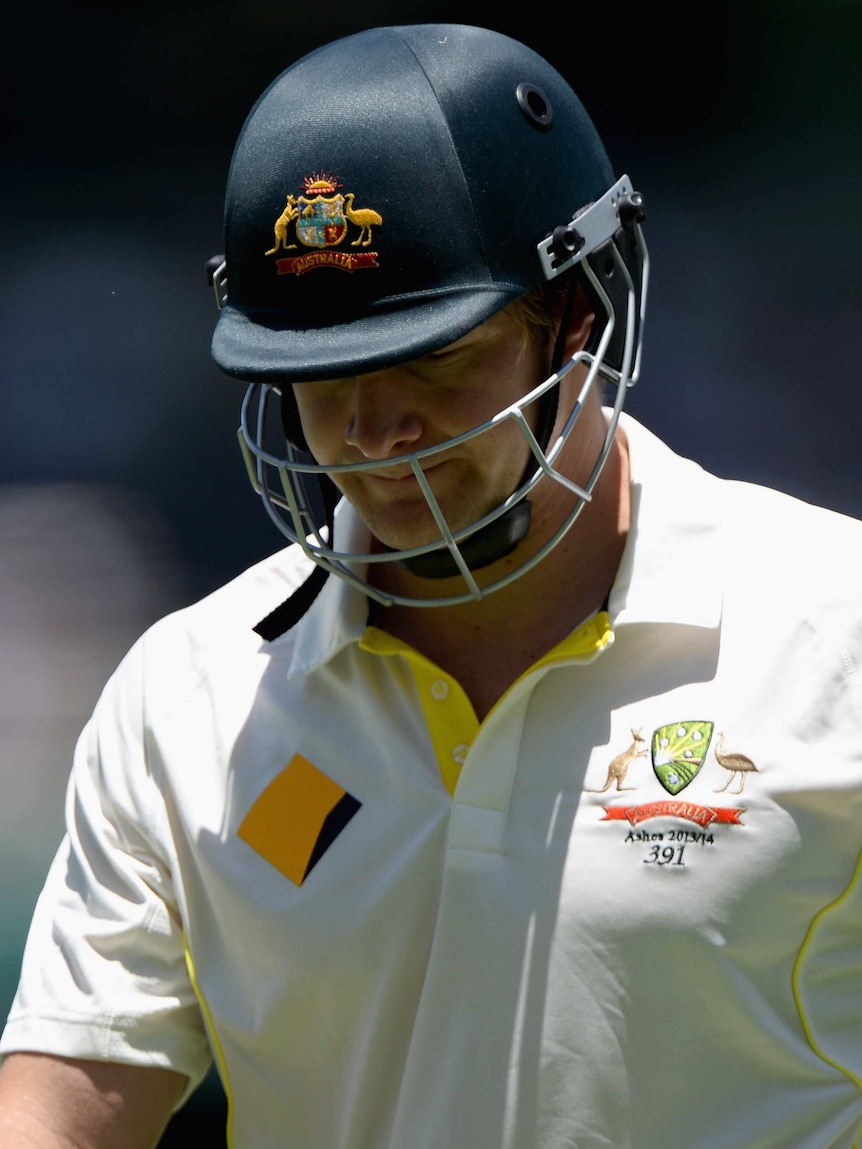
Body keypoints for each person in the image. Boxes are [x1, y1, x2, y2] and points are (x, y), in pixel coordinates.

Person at [1, 21, 862, 1149]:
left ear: (579, 318)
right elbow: (60, 1118)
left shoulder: (833, 629)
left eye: (436, 358)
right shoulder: (190, 693)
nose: (374, 431)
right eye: (323, 375)